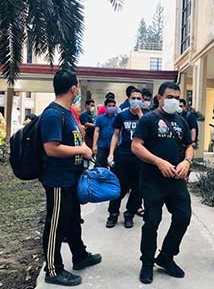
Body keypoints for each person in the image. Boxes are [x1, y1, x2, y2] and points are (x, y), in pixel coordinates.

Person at [39, 69, 101, 286]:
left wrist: (81, 143)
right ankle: (53, 269)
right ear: (73, 88)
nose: (79, 88)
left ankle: (80, 256)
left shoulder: (67, 113)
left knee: (73, 220)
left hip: (71, 178)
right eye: (78, 84)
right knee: (56, 224)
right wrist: (81, 151)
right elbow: (51, 148)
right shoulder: (53, 114)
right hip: (58, 180)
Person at [132, 81, 194, 284]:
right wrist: (158, 162)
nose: (174, 101)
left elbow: (189, 146)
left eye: (177, 97)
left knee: (183, 217)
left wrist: (187, 161)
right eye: (170, 97)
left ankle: (166, 256)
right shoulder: (148, 119)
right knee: (151, 222)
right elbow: (136, 146)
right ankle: (147, 262)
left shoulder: (182, 121)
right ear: (159, 98)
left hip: (176, 181)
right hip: (153, 181)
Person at [106, 88, 144, 229]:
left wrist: (140, 114)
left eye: (139, 98)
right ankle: (113, 213)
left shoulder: (146, 117)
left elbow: (148, 133)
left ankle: (129, 214)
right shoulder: (122, 116)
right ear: (128, 99)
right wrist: (111, 153)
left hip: (139, 156)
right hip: (123, 154)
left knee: (137, 187)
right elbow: (116, 135)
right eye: (133, 98)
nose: (136, 100)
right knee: (119, 186)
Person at [93, 98, 117, 167]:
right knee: (99, 166)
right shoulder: (100, 118)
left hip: (114, 147)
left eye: (113, 106)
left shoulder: (117, 118)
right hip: (102, 146)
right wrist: (94, 145)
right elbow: (97, 131)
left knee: (114, 167)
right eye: (109, 106)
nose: (111, 107)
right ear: (105, 107)